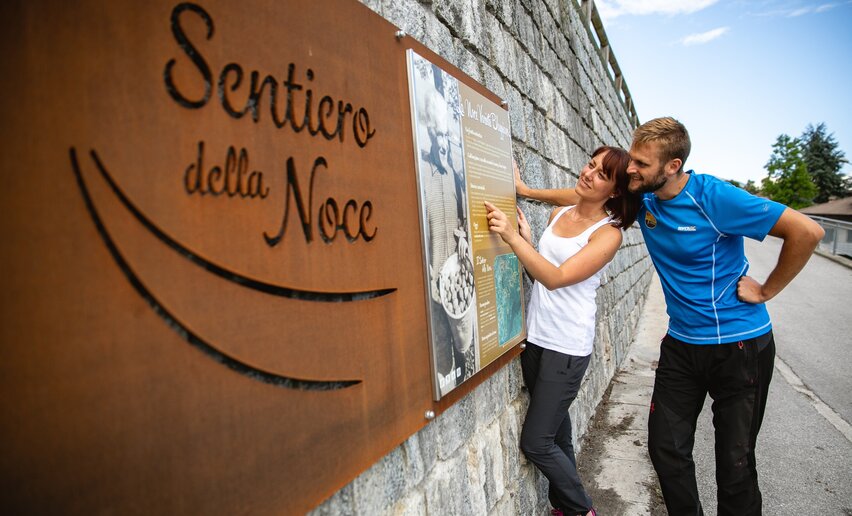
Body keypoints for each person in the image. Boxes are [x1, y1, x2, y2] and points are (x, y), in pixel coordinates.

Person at [514, 117, 825, 515]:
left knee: (734, 464)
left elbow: (807, 232)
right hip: (681, 344)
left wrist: (766, 290)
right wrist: (527, 192)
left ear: (673, 166)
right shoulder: (644, 195)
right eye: (632, 160)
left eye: (641, 164)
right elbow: (584, 198)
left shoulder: (714, 197)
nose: (631, 169)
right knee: (666, 450)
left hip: (739, 345)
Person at [485, 146, 641, 516]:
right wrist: (527, 234)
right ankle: (567, 509)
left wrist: (513, 238)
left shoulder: (608, 235)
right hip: (537, 338)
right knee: (558, 435)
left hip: (566, 348)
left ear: (616, 190)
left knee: (536, 442)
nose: (589, 174)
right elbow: (539, 274)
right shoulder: (560, 213)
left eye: (602, 175)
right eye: (591, 164)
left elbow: (555, 278)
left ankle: (583, 510)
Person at [417, 83, 475, 396]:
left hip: (455, 276)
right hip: (432, 281)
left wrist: (463, 236)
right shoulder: (420, 173)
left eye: (445, 135)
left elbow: (465, 217)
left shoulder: (454, 174)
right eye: (436, 135)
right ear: (427, 132)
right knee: (442, 352)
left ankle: (464, 375)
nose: (442, 143)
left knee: (462, 342)